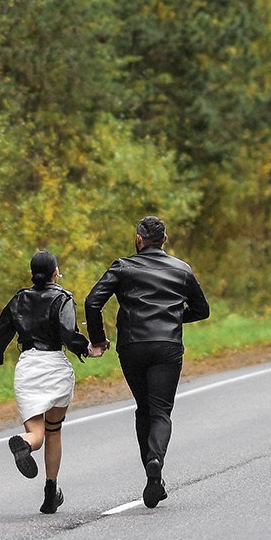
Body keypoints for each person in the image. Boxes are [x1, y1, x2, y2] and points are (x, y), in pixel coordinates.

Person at [85, 214, 209, 508]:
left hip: (132, 346)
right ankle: (156, 465)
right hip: (167, 346)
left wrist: (99, 339)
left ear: (139, 239)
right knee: (161, 411)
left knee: (144, 409)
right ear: (164, 240)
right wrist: (174, 317)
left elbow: (92, 302)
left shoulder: (123, 266)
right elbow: (202, 310)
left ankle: (153, 474)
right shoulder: (182, 269)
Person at [0, 249, 94, 514]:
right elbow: (68, 332)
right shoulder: (62, 298)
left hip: (28, 368)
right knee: (53, 431)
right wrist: (87, 348)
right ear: (55, 273)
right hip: (54, 367)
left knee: (37, 433)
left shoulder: (19, 299)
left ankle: (25, 441)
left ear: (33, 274)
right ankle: (51, 490)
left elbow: (1, 335)